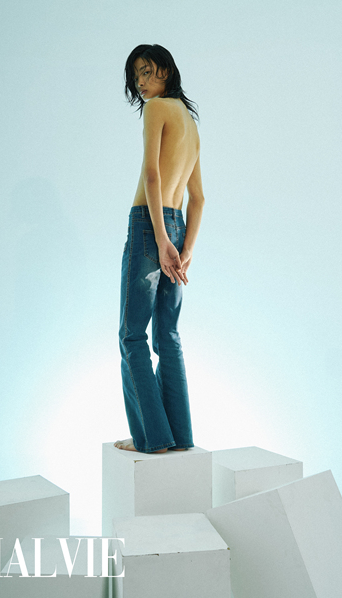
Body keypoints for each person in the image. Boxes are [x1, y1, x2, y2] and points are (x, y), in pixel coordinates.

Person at [114, 44, 205, 453]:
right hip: (178, 227)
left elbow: (152, 175)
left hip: (149, 225)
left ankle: (151, 439)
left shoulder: (155, 109)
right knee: (167, 335)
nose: (141, 82)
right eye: (136, 76)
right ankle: (179, 438)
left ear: (166, 70)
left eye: (147, 71)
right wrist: (186, 248)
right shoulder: (191, 124)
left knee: (132, 336)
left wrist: (161, 239)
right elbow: (198, 198)